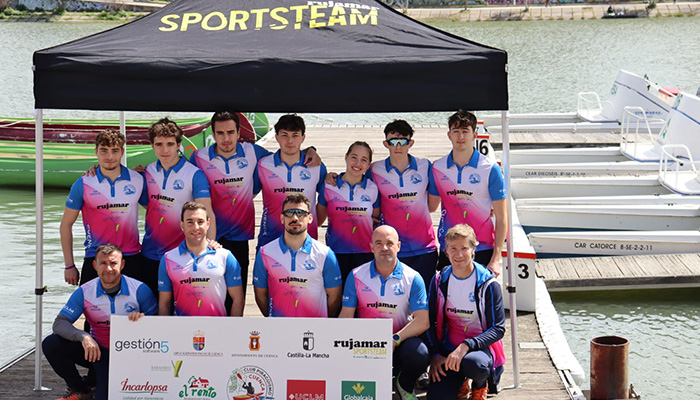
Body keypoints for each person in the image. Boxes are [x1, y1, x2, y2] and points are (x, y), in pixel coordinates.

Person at [190, 111, 321, 295]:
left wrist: (310, 150)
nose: (226, 138)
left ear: (238, 133)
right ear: (213, 134)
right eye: (220, 133)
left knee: (237, 294)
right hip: (206, 234)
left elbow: (286, 153)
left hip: (239, 236)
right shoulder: (198, 157)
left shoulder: (253, 153)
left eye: (230, 132)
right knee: (207, 293)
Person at [43, 243, 157, 400]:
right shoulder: (85, 291)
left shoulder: (139, 290)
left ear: (122, 264)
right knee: (51, 343)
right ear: (95, 265)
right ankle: (81, 389)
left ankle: (97, 382)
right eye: (103, 263)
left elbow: (159, 324)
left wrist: (143, 321)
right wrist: (83, 336)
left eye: (113, 263)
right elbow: (60, 323)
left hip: (130, 353)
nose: (108, 268)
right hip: (98, 352)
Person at [339, 225, 430, 400]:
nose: (384, 248)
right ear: (372, 247)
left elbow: (422, 321)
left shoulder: (413, 278)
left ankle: (404, 384)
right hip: (365, 345)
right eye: (379, 243)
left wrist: (394, 339)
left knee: (419, 353)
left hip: (399, 342)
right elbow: (346, 316)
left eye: (390, 243)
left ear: (398, 246)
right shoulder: (356, 275)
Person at [426, 224, 505, 400]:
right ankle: (460, 382)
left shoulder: (488, 284)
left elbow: (498, 329)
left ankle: (479, 385)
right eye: (453, 248)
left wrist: (466, 345)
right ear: (446, 251)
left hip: (479, 351)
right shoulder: (439, 280)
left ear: (473, 249)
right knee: (436, 397)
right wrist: (435, 354)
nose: (459, 254)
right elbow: (429, 321)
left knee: (475, 364)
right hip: (449, 352)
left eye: (464, 248)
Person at [60, 130, 146, 287]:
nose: (110, 157)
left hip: (131, 256)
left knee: (139, 303)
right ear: (96, 152)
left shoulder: (138, 179)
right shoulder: (83, 183)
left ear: (122, 152)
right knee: (87, 303)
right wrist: (69, 265)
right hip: (95, 257)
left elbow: (157, 210)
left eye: (115, 151)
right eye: (104, 151)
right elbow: (66, 225)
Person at [140, 118, 215, 295]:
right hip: (150, 253)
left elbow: (207, 213)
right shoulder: (147, 172)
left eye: (170, 144)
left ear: (178, 145)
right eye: (159, 144)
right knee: (151, 308)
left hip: (182, 255)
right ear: (152, 146)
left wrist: (210, 246)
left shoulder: (194, 174)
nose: (165, 150)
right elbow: (148, 206)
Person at [429, 110, 507, 275]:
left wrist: (496, 259)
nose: (460, 136)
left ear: (474, 135)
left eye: (465, 131)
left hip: (481, 247)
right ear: (449, 135)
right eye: (456, 131)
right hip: (449, 248)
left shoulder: (490, 168)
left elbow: (502, 217)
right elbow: (430, 206)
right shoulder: (437, 167)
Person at [253, 194, 342, 317]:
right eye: (289, 213)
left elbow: (335, 296)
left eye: (300, 213)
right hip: (278, 325)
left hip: (314, 326)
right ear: (282, 218)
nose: (295, 218)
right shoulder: (265, 253)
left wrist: (320, 320)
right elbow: (260, 294)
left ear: (310, 218)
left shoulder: (325, 254)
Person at [158, 202, 244, 316]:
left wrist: (232, 326)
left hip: (217, 325)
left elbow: (238, 300)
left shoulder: (225, 256)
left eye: (200, 222)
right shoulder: (168, 259)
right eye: (190, 222)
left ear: (208, 224)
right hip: (181, 326)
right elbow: (164, 303)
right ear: (182, 225)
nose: (196, 227)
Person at [256, 114, 327, 249]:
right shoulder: (263, 165)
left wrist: (311, 224)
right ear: (276, 137)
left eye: (295, 135)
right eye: (284, 135)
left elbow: (324, 203)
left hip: (306, 242)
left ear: (303, 137)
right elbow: (248, 195)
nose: (290, 141)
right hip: (270, 241)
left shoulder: (316, 166)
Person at [316, 141, 380, 284]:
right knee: (336, 296)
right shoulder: (328, 186)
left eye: (364, 160)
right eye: (354, 157)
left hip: (365, 253)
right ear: (346, 157)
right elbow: (318, 221)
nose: (358, 163)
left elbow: (375, 219)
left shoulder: (373, 188)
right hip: (336, 252)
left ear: (368, 165)